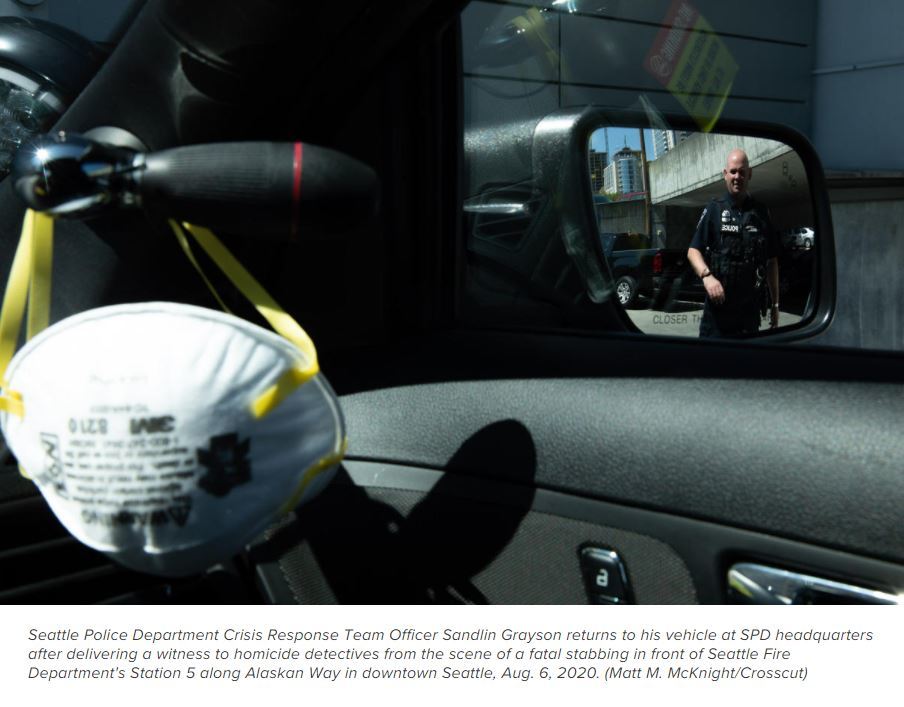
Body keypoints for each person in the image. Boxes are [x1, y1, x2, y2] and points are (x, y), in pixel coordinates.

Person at [687, 148, 780, 337]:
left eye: (743, 172)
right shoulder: (714, 209)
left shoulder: (761, 214)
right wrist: (707, 277)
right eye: (733, 171)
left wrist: (775, 303)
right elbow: (693, 251)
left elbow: (772, 261)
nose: (738, 176)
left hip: (749, 316)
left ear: (750, 174)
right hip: (716, 318)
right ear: (725, 174)